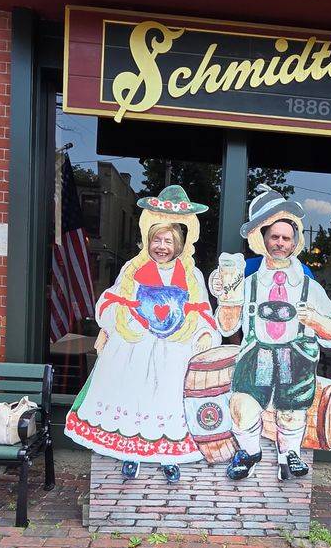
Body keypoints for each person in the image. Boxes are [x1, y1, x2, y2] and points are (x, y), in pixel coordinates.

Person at [64, 185, 219, 483]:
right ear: (147, 239)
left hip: (174, 348)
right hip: (137, 344)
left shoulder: (192, 275)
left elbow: (201, 311)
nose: (162, 246)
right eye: (157, 239)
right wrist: (120, 321)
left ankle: (167, 456)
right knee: (134, 396)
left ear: (180, 243)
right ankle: (131, 453)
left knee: (168, 399)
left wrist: (202, 334)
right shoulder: (132, 270)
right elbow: (111, 300)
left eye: (169, 240)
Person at [211, 186, 331, 481]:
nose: (280, 243)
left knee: (291, 411)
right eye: (275, 236)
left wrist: (317, 320)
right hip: (255, 354)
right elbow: (226, 326)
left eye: (286, 238)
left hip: (294, 356)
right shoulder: (248, 281)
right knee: (242, 407)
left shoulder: (309, 286)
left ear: (295, 242)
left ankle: (289, 455)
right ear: (263, 239)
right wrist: (228, 299)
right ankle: (249, 452)